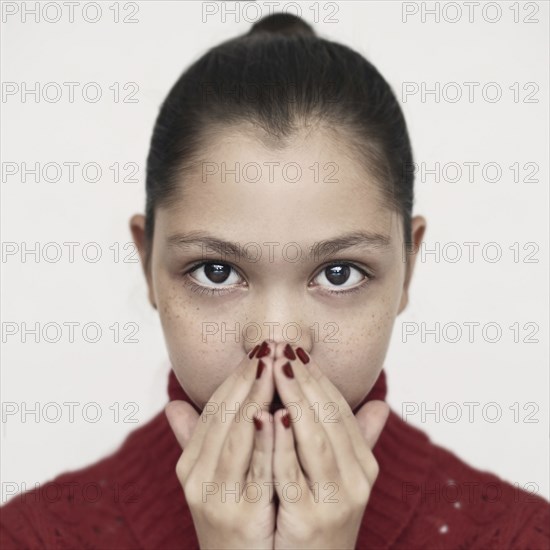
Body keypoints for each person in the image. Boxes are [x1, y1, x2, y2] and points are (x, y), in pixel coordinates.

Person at [1, 12, 549, 550]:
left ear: (409, 265)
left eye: (339, 273)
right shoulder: (29, 537)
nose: (278, 342)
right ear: (147, 263)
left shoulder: (521, 536)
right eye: (217, 272)